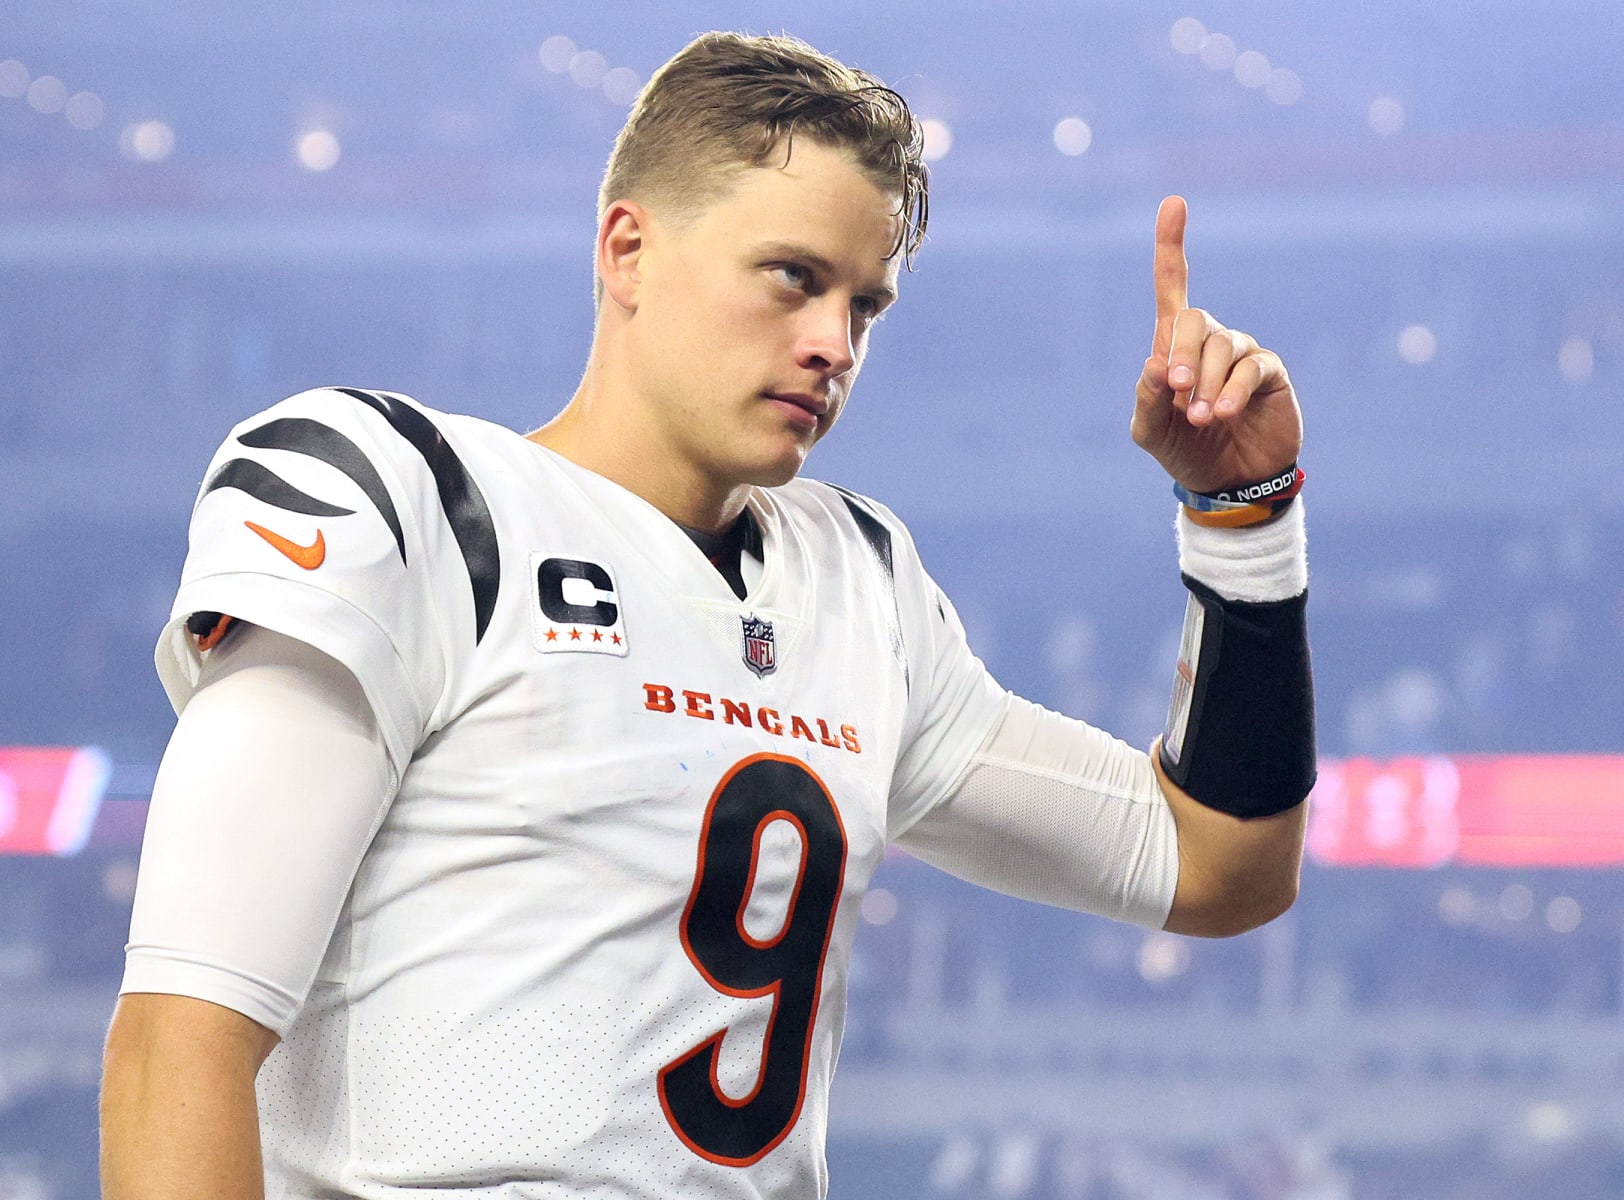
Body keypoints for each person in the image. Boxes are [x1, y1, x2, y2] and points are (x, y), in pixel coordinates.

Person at [99, 30, 1314, 1200]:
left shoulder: (861, 583)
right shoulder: (413, 503)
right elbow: (179, 1039)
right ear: (627, 251)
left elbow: (1216, 866)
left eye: (866, 306)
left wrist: (1245, 518)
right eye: (793, 278)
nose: (832, 343)